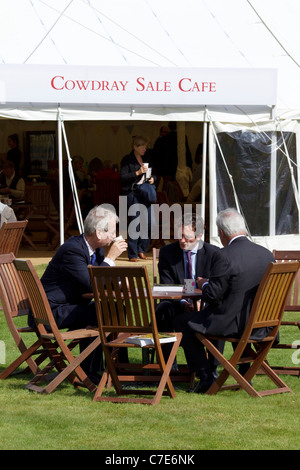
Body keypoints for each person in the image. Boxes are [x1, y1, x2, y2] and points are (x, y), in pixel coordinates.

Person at [173, 208, 275, 393]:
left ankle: (205, 377)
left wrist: (204, 284)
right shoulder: (266, 254)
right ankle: (245, 375)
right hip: (262, 324)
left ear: (221, 232)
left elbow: (212, 295)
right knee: (231, 311)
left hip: (233, 325)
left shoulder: (224, 255)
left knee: (182, 321)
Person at [30, 205, 128, 384]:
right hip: (49, 312)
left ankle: (119, 368)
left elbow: (100, 279)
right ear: (99, 233)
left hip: (69, 306)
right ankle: (90, 372)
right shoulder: (72, 250)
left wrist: (120, 283)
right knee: (102, 312)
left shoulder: (95, 248)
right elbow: (92, 283)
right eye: (112, 232)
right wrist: (111, 258)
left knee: (114, 308)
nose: (114, 236)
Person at [155, 212, 220, 364]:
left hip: (205, 303)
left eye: (187, 236)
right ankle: (168, 366)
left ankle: (212, 367)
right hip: (177, 303)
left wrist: (201, 302)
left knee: (218, 309)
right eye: (180, 235)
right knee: (162, 309)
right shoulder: (168, 252)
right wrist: (184, 303)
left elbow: (216, 286)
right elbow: (167, 285)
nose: (182, 241)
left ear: (199, 236)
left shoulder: (213, 253)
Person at [120, 136, 156, 262]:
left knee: (150, 222)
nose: (145, 149)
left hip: (145, 193)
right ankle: (133, 254)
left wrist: (153, 179)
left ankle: (142, 249)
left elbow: (154, 173)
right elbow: (123, 178)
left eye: (146, 146)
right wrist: (137, 173)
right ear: (135, 147)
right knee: (135, 223)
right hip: (133, 193)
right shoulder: (127, 160)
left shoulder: (147, 158)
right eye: (143, 146)